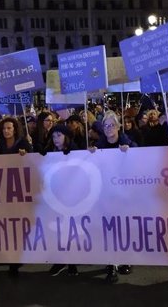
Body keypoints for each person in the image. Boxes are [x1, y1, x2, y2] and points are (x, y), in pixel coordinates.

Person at [90, 112, 136, 283]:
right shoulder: (98, 146)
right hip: (105, 195)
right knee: (108, 229)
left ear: (118, 126)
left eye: (112, 125)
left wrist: (129, 152)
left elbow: (140, 157)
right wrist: (90, 153)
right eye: (106, 126)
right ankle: (111, 264)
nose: (109, 128)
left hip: (123, 195)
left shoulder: (128, 143)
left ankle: (126, 259)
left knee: (124, 227)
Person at [0, 117, 31, 277]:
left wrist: (26, 155)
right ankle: (11, 257)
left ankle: (16, 258)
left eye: (9, 128)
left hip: (20, 191)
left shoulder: (23, 144)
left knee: (18, 225)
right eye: (4, 128)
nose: (6, 131)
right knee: (7, 225)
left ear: (15, 129)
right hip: (5, 192)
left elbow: (33, 160)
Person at [43, 124, 82, 277]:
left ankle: (72, 263)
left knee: (70, 231)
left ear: (66, 136)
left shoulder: (76, 151)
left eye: (59, 135)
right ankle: (60, 261)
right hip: (55, 197)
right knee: (57, 231)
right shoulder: (49, 153)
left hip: (72, 197)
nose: (56, 139)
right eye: (53, 136)